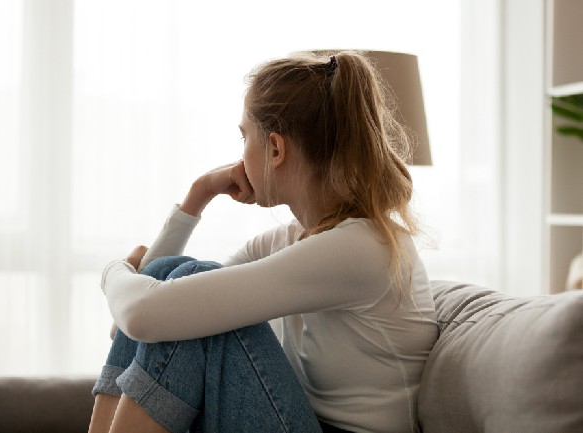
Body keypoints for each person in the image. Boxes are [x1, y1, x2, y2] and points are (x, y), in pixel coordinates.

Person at [88, 51, 438, 433]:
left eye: (244, 138)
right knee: (180, 278)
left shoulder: (361, 248)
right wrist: (198, 196)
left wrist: (113, 273)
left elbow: (142, 315)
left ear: (275, 148)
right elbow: (142, 318)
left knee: (193, 291)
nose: (240, 155)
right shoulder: (294, 239)